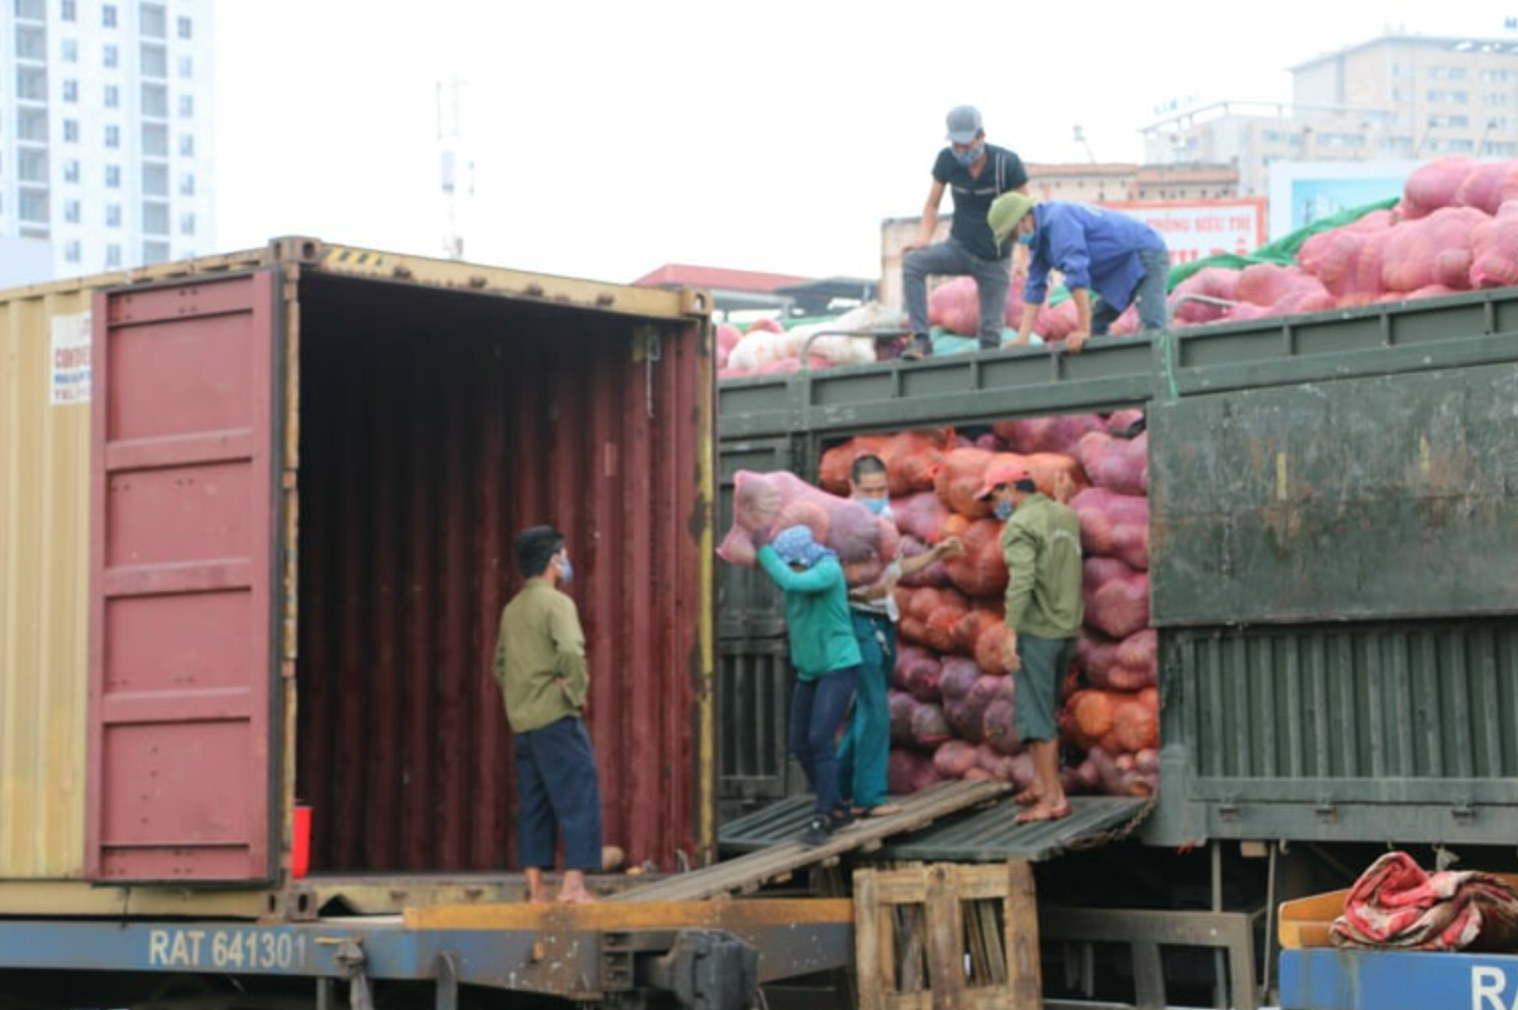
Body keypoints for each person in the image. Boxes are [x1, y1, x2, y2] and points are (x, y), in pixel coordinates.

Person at [839, 455, 963, 817]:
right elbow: (834, 576)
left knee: (866, 706)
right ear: (852, 487)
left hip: (885, 620)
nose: (877, 496)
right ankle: (869, 798)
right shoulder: (841, 523)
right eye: (869, 490)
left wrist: (935, 555)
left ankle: (839, 787)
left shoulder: (886, 518)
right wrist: (865, 590)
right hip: (858, 619)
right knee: (876, 708)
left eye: (882, 489)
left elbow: (898, 570)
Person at [492, 525, 602, 903]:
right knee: (578, 792)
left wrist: (519, 698)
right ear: (554, 560)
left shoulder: (512, 609)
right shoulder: (557, 604)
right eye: (565, 555)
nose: (567, 561)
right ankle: (573, 886)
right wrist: (575, 694)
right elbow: (571, 651)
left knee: (534, 802)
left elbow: (500, 665)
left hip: (523, 721)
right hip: (555, 718)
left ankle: (536, 888)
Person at [976, 462, 1083, 825]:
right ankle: (1041, 784)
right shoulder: (1065, 515)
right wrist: (1063, 497)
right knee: (1046, 705)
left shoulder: (1018, 526)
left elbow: (1021, 581)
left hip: (1037, 631)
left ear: (1010, 488)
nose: (994, 505)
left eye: (994, 496)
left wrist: (1010, 634)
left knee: (1037, 717)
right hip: (1067, 629)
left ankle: (1054, 799)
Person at [757, 525, 862, 846]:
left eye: (793, 563)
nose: (789, 570)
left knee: (819, 738)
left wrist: (762, 549)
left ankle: (824, 815)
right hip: (810, 671)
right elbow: (786, 577)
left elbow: (791, 580)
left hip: (838, 665)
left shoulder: (827, 570)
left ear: (804, 558)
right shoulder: (794, 572)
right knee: (799, 743)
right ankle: (837, 807)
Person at [901, 105, 1030, 359]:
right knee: (913, 264)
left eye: (967, 145)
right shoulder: (946, 161)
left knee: (991, 334)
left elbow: (1026, 215)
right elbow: (932, 205)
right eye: (956, 146)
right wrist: (924, 238)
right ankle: (921, 341)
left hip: (995, 259)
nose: (961, 151)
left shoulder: (1007, 164)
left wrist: (1023, 259)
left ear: (981, 137)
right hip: (958, 247)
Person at [988, 192, 1171, 354]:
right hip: (1120, 265)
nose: (1017, 240)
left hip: (1145, 251)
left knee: (1153, 327)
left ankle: (1161, 386)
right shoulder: (1039, 240)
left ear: (1024, 219)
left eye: (1013, 235)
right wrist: (1023, 337)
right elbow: (1034, 287)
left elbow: (1077, 274)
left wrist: (1083, 330)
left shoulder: (1059, 220)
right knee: (1096, 323)